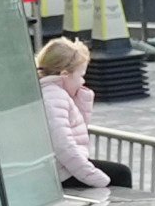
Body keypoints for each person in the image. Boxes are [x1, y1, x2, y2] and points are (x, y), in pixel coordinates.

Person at [37, 33, 121, 190]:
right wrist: (97, 179)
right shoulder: (54, 96)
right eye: (81, 75)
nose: (83, 81)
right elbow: (63, 146)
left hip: (60, 168)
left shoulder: (54, 93)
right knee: (121, 175)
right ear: (64, 74)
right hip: (61, 173)